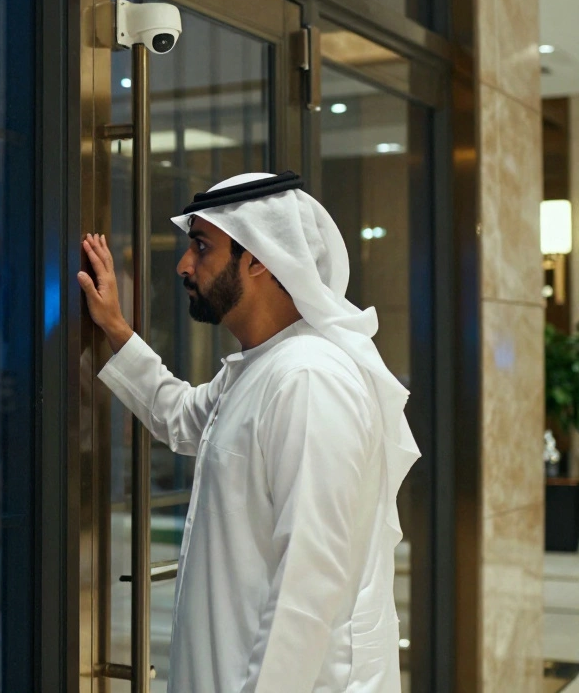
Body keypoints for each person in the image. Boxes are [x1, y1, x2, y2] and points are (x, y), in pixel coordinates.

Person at [77, 172, 420, 693]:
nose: (183, 266)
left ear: (257, 257)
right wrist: (115, 329)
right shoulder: (263, 367)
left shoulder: (309, 379)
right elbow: (184, 417)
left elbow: (307, 584)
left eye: (201, 247)